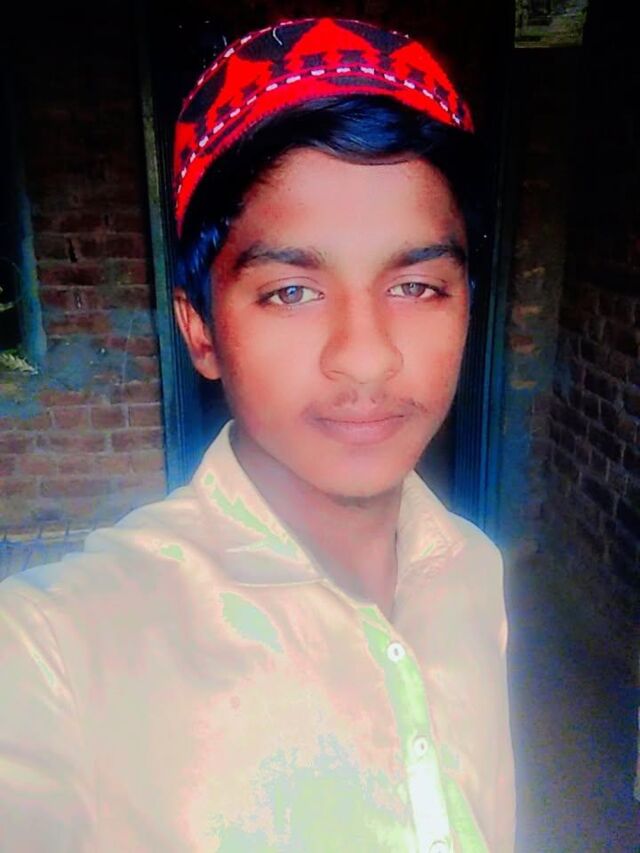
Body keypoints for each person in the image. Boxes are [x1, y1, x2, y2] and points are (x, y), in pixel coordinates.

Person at [0, 17, 514, 852]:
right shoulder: (59, 651)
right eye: (291, 292)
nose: (366, 357)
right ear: (200, 329)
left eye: (416, 286)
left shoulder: (473, 571)